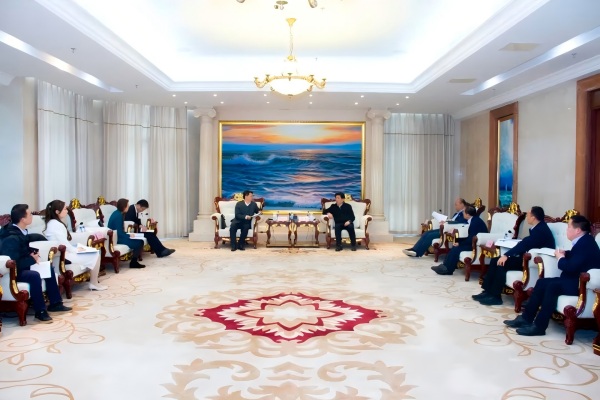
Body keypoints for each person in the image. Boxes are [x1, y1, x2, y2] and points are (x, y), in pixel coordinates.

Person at [504, 215, 600, 336]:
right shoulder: (584, 240)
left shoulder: (586, 244)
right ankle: (526, 318)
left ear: (577, 230)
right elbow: (578, 258)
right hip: (573, 280)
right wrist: (566, 253)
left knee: (552, 286)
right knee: (542, 282)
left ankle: (539, 326)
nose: (567, 230)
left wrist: (560, 258)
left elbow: (570, 267)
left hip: (582, 286)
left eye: (569, 227)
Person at [0, 204, 72, 323]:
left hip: (21, 267)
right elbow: (14, 262)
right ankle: (40, 311)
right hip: (12, 272)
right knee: (34, 275)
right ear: (23, 219)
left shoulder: (18, 231)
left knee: (48, 267)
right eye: (29, 214)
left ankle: (55, 303)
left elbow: (23, 247)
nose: (32, 216)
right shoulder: (10, 238)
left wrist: (32, 253)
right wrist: (32, 259)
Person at [475, 206, 554, 305]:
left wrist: (506, 255)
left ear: (533, 217)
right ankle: (487, 291)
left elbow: (525, 244)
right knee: (495, 260)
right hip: (527, 258)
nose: (526, 216)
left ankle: (496, 296)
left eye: (528, 214)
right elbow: (526, 243)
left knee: (502, 263)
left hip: (532, 262)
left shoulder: (540, 230)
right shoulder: (539, 227)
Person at [43, 200, 107, 291]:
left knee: (91, 251)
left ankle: (94, 282)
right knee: (96, 254)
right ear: (57, 212)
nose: (67, 211)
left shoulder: (53, 223)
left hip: (64, 251)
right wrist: (77, 250)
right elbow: (64, 243)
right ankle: (94, 283)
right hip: (63, 255)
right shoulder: (56, 224)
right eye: (65, 209)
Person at [431, 205, 488, 275]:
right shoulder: (473, 219)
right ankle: (445, 266)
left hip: (477, 245)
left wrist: (460, 243)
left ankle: (448, 269)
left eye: (464, 212)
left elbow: (471, 238)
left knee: (456, 248)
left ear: (467, 214)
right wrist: (459, 242)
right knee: (455, 247)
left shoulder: (476, 222)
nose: (462, 213)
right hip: (473, 242)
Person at [403, 198, 468, 257]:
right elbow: (453, 221)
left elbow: (460, 223)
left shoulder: (465, 213)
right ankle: (414, 249)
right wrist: (445, 221)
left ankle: (417, 253)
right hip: (445, 228)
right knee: (427, 233)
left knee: (430, 235)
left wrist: (447, 222)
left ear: (462, 204)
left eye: (456, 205)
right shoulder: (456, 214)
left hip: (447, 231)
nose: (455, 206)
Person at [107, 198, 145, 268]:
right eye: (127, 205)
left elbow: (119, 231)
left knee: (139, 239)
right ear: (124, 207)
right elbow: (119, 233)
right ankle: (133, 263)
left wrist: (129, 235)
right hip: (117, 238)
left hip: (118, 236)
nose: (129, 206)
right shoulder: (118, 216)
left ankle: (134, 262)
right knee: (139, 242)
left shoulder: (117, 213)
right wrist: (129, 236)